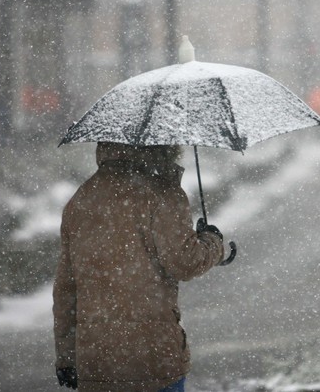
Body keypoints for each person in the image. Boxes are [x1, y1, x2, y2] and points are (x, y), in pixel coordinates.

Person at [53, 142, 225, 391]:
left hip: (96, 362)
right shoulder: (163, 194)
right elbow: (186, 263)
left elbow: (66, 291)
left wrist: (67, 357)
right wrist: (212, 242)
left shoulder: (81, 199)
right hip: (153, 360)